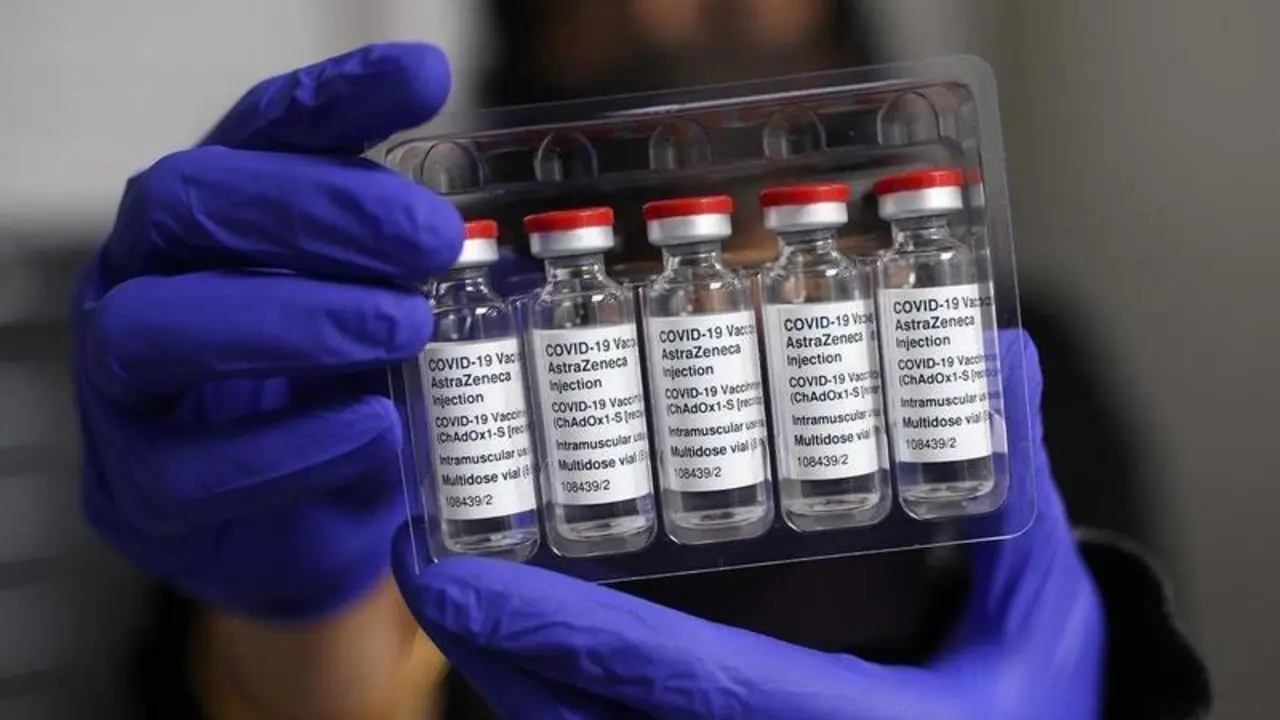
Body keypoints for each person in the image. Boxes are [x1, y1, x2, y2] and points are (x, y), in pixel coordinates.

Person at [72, 43, 1209, 719]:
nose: (665, 12)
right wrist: (306, 621)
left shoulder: (1005, 332)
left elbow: (1129, 635)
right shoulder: (359, 352)